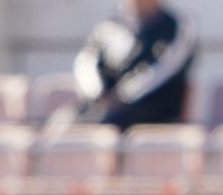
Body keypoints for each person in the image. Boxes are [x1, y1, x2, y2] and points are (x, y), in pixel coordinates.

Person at [72, 1, 197, 131]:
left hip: (153, 112)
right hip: (103, 107)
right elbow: (87, 61)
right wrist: (98, 93)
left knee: (108, 125)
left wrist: (120, 97)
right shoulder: (109, 26)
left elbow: (161, 70)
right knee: (66, 125)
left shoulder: (176, 26)